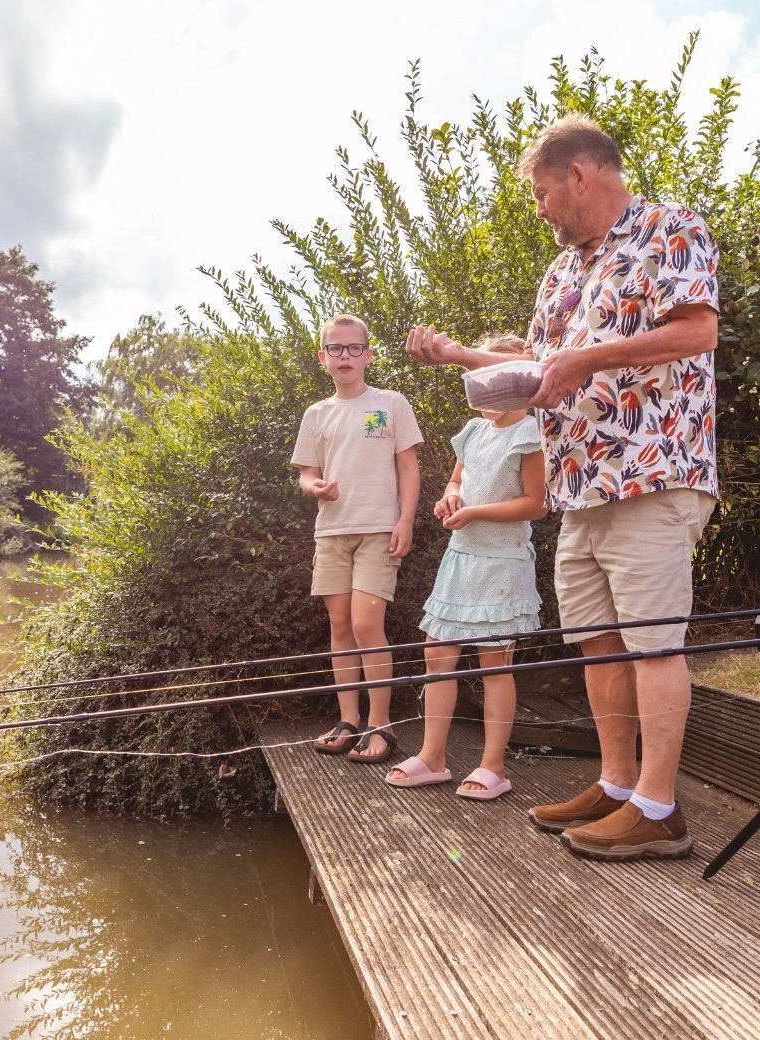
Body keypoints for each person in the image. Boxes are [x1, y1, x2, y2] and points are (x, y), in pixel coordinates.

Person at [404, 113, 720, 859]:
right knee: (599, 644)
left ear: (580, 175)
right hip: (579, 486)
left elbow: (697, 331)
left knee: (651, 643)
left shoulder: (667, 227)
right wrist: (458, 357)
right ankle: (616, 786)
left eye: (544, 194)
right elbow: (541, 371)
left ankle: (659, 805)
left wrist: (587, 362)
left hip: (652, 472)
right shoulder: (561, 272)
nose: (540, 209)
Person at [385, 333, 547, 800]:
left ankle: (493, 767)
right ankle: (432, 757)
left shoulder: (529, 433)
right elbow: (458, 479)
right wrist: (450, 498)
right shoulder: (474, 431)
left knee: (495, 664)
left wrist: (474, 512)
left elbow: (536, 504)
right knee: (438, 656)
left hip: (502, 564)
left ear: (520, 383)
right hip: (461, 560)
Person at [292, 313, 423, 764]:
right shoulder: (316, 414)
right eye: (335, 349)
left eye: (353, 348)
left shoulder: (391, 403)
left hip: (378, 530)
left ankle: (380, 726)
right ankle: (349, 722)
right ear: (322, 357)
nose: (344, 356)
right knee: (341, 627)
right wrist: (316, 487)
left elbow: (409, 467)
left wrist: (406, 520)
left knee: (368, 625)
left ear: (367, 354)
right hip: (331, 532)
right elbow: (307, 475)